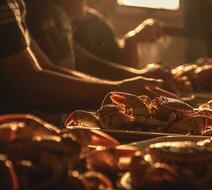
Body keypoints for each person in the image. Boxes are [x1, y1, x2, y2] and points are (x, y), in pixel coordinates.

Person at [0, 0, 165, 113]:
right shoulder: (42, 14)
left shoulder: (20, 6)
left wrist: (133, 80)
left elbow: (47, 67)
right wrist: (119, 92)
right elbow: (28, 83)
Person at [25, 0, 179, 92]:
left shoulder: (86, 20)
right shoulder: (42, 14)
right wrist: (121, 87)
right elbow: (38, 77)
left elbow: (87, 60)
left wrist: (140, 75)